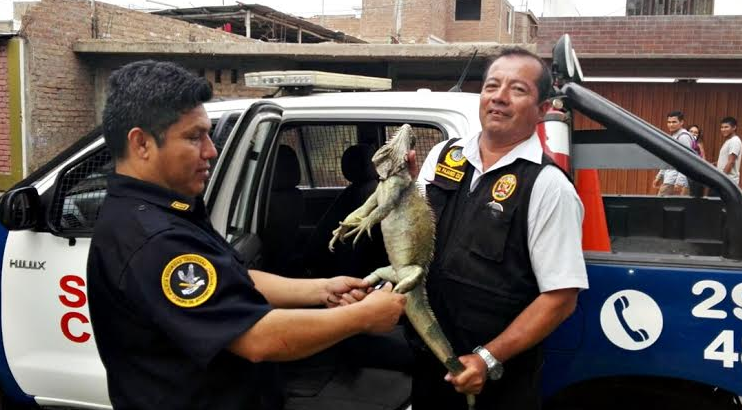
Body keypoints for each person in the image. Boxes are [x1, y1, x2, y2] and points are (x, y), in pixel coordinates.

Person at [86, 60, 406, 410]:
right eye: (194, 137)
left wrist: (320, 290)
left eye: (208, 134)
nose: (211, 150)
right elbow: (259, 339)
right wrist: (362, 318)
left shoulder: (169, 209)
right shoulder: (155, 240)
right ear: (142, 143)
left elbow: (234, 277)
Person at [411, 47, 588, 409]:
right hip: (431, 360)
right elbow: (418, 238)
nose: (499, 97)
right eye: (492, 86)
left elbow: (561, 298)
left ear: (541, 111)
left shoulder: (548, 186)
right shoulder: (444, 156)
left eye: (518, 90)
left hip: (498, 375)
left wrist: (487, 359)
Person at [652, 111, 696, 196]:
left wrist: (680, 181)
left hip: (674, 180)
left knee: (660, 205)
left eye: (674, 122)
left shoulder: (683, 137)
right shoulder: (674, 136)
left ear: (681, 122)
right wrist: (659, 176)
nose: (671, 124)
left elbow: (685, 160)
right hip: (670, 178)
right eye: (669, 122)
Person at [717, 116, 742, 186]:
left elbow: (731, 162)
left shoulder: (735, 141)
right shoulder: (729, 141)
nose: (723, 129)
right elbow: (726, 160)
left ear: (734, 128)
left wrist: (721, 178)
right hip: (724, 181)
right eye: (722, 127)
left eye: (726, 127)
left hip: (727, 182)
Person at [688, 124, 707, 197]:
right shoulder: (685, 142)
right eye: (691, 131)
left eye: (696, 132)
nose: (693, 133)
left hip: (697, 174)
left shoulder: (699, 144)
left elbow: (703, 159)